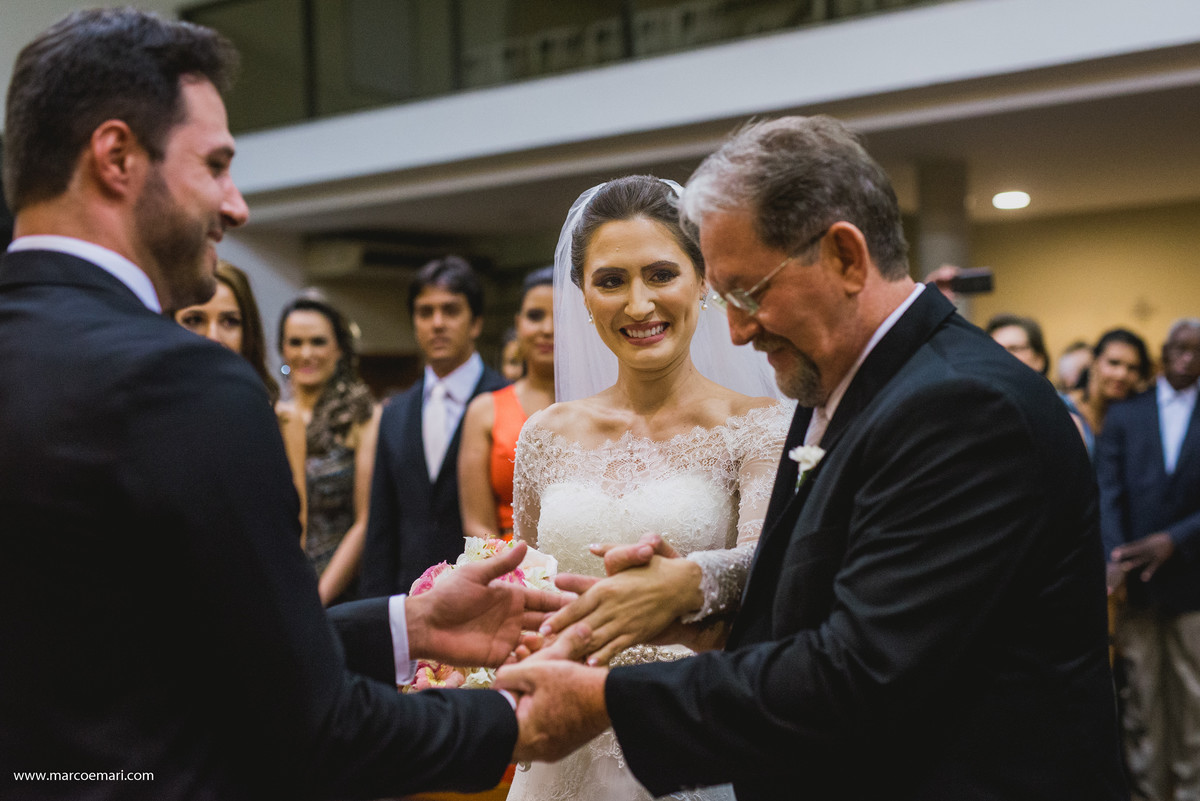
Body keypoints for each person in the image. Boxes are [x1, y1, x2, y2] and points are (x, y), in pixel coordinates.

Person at [0, 10, 561, 799]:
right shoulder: (181, 383)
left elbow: (144, 657)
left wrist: (404, 624)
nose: (236, 207)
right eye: (217, 165)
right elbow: (315, 731)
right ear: (117, 156)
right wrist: (517, 717)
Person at [497, 116, 1126, 800]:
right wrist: (696, 604)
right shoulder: (832, 386)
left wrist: (607, 700)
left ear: (847, 258)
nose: (734, 328)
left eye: (748, 291)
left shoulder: (963, 408)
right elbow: (814, 597)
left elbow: (857, 671)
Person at [505, 175, 789, 801]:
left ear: (703, 279)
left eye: (661, 274)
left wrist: (683, 584)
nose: (637, 305)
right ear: (582, 294)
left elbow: (764, 575)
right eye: (611, 281)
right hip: (563, 745)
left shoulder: (760, 428)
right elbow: (528, 590)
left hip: (685, 734)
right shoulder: (545, 434)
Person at [361, 256, 508, 596]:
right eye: (425, 312)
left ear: (476, 322)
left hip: (485, 593)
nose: (437, 323)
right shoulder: (395, 412)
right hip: (410, 595)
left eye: (451, 310)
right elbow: (382, 525)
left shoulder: (504, 400)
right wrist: (377, 615)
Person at [1098, 318, 1200, 801]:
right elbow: (1107, 491)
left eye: (1196, 353)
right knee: (1141, 701)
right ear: (1163, 352)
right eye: (1178, 350)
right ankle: (1146, 792)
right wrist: (1115, 556)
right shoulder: (1126, 414)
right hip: (1136, 581)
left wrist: (1175, 539)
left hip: (1192, 580)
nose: (1186, 360)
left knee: (1193, 701)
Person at [175, 260, 308, 537]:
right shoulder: (150, 419)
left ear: (248, 333)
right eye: (195, 320)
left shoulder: (282, 420)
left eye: (230, 321)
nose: (214, 336)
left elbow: (295, 532)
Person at [277, 292, 381, 605]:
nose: (306, 353)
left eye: (318, 342)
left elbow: (364, 522)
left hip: (340, 588)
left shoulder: (363, 416)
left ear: (338, 349)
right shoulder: (273, 414)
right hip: (280, 579)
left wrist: (316, 599)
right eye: (295, 342)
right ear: (282, 349)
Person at [459, 267, 555, 541]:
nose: (547, 329)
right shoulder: (485, 410)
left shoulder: (606, 403)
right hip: (511, 567)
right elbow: (477, 524)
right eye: (535, 316)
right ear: (518, 323)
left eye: (560, 316)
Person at [1065, 327, 1151, 448]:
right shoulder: (1063, 408)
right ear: (1093, 362)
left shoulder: (1138, 421)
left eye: (1132, 368)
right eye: (1113, 363)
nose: (1121, 374)